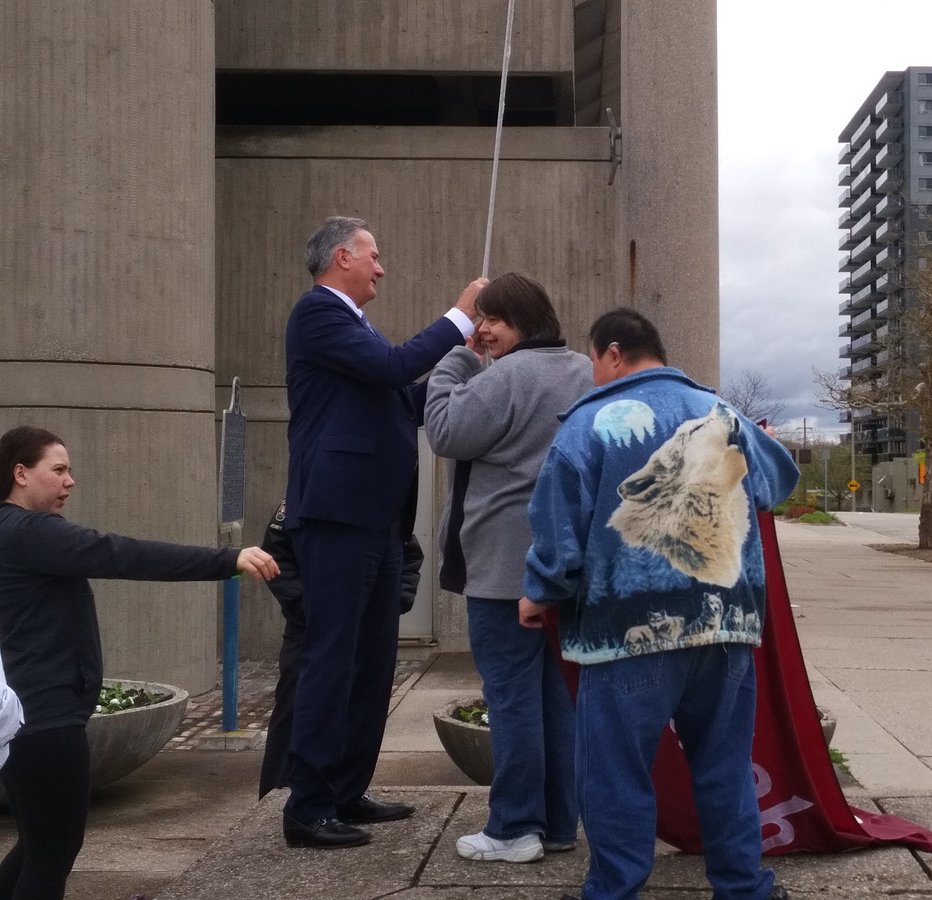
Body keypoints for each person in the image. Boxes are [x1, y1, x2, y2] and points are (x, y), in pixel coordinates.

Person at [518, 309, 798, 900]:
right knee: (724, 765)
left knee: (615, 772)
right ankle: (744, 888)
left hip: (628, 629)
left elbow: (558, 532)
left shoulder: (586, 425)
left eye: (594, 362)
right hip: (728, 621)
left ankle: (615, 892)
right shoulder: (724, 413)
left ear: (613, 354)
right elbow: (777, 482)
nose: (594, 375)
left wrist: (538, 593)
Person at [0, 425, 279, 899]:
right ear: (21, 473)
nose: (70, 481)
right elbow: (122, 554)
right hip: (45, 719)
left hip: (25, 719)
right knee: (53, 853)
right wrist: (226, 559)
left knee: (38, 845)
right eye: (59, 469)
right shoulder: (30, 532)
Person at [282, 215, 486, 849]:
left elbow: (405, 394)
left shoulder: (358, 330)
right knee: (332, 659)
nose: (382, 267)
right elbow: (394, 368)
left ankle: (347, 790)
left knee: (372, 665)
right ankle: (309, 806)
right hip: (337, 519)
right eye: (374, 255)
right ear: (342, 256)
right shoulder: (317, 314)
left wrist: (481, 376)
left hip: (376, 523)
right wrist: (458, 319)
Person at [424, 272, 592, 864]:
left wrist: (454, 360)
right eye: (480, 319)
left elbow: (445, 432)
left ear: (523, 319)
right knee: (557, 696)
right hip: (566, 566)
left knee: (512, 698)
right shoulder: (583, 372)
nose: (484, 330)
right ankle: (558, 822)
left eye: (492, 319)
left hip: (501, 568)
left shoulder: (510, 375)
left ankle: (514, 827)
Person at [256, 496, 424, 800]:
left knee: (358, 712)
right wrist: (311, 611)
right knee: (296, 712)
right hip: (311, 632)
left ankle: (346, 794)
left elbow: (408, 554)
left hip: (366, 631)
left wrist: (390, 604)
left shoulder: (381, 499)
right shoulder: (304, 495)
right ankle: (277, 797)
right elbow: (276, 556)